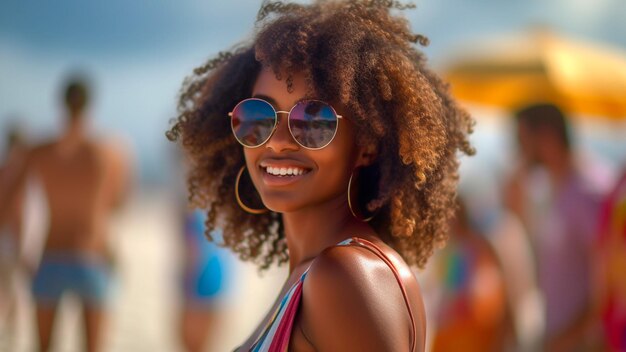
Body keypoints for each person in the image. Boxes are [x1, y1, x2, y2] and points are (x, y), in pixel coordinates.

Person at [166, 1, 474, 351]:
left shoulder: (346, 276)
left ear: (366, 146)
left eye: (313, 121)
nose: (278, 142)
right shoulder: (318, 273)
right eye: (258, 116)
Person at [0, 76, 131, 352]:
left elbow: (8, 200)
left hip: (51, 253)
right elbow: (119, 203)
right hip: (93, 254)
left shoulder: (38, 151)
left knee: (44, 347)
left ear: (59, 103)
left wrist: (17, 250)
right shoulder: (110, 152)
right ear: (91, 105)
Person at [504, 103, 612, 351]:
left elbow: (608, 284)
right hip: (559, 337)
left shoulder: (590, 192)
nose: (518, 152)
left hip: (584, 344)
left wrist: (565, 340)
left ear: (546, 138)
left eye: (522, 141)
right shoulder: (548, 186)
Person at [429, 199, 512, 352]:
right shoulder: (454, 249)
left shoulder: (469, 249)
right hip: (453, 329)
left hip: (464, 331)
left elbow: (468, 294)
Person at [179, 208, 235, 352]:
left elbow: (192, 249)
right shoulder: (223, 204)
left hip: (202, 271)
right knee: (203, 341)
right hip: (217, 270)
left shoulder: (192, 207)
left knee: (192, 341)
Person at [0, 125, 27, 349]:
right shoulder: (20, 173)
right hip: (11, 238)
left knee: (6, 288)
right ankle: (10, 339)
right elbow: (18, 213)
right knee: (13, 290)